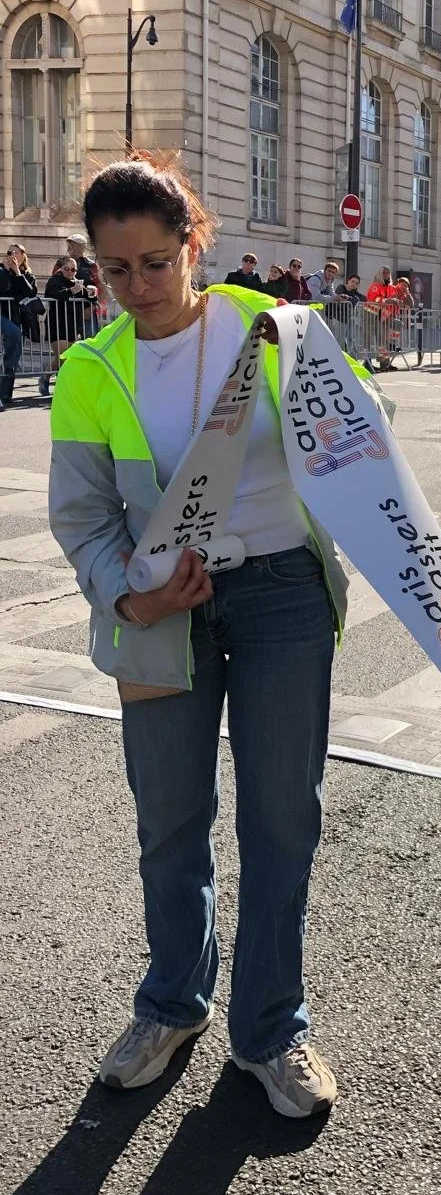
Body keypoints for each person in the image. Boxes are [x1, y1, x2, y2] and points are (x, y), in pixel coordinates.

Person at [46, 152, 380, 1119]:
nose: (138, 289)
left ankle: (272, 1027)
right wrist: (128, 598)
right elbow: (81, 518)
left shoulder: (270, 329)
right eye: (115, 271)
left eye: (155, 262)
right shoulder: (89, 370)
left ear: (196, 241)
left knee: (282, 818)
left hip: (281, 596)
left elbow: (369, 435)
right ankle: (172, 1004)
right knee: (170, 822)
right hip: (158, 617)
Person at [42, 255, 97, 398]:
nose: (71, 272)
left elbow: (89, 298)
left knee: (65, 356)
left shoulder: (77, 282)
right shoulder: (55, 280)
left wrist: (92, 293)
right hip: (57, 322)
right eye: (67, 269)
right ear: (61, 268)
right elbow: (54, 295)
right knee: (62, 355)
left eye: (74, 269)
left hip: (73, 323)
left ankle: (47, 378)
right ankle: (52, 380)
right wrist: (72, 290)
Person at [0, 243, 38, 409]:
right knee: (13, 333)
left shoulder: (27, 274)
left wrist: (17, 273)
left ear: (23, 255)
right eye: (9, 252)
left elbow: (30, 292)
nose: (12, 255)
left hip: (17, 317)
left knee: (12, 359)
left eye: (15, 252)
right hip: (2, 315)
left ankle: (5, 394)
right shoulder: (1, 271)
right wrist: (6, 271)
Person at [366, 267, 402, 370]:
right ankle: (383, 364)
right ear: (380, 274)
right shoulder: (375, 286)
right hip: (375, 316)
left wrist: (396, 308)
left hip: (388, 316)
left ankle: (388, 356)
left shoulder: (391, 287)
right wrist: (387, 301)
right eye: (384, 273)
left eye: (388, 273)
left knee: (396, 326)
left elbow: (395, 300)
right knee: (381, 342)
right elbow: (373, 299)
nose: (386, 275)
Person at [66, 233, 102, 336]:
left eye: (73, 244)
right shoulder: (61, 263)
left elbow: (101, 288)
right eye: (69, 244)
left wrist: (91, 309)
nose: (69, 247)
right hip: (66, 311)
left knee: (89, 343)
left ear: (82, 247)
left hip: (86, 311)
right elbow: (54, 283)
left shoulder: (91, 265)